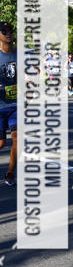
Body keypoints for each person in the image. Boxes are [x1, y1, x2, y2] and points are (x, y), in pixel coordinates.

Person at [0, 21, 17, 186]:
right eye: (4, 31)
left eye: (11, 30)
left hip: (15, 105)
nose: (8, 33)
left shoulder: (20, 54)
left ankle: (10, 174)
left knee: (18, 139)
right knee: (1, 142)